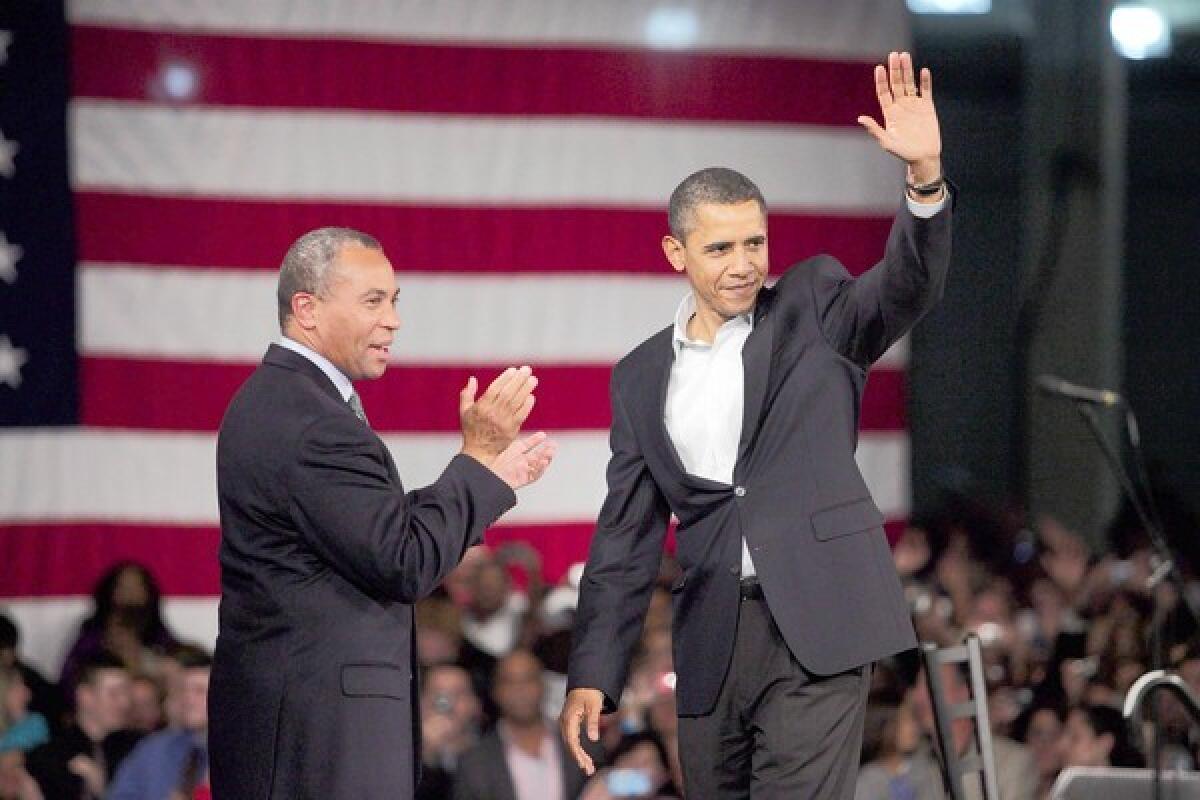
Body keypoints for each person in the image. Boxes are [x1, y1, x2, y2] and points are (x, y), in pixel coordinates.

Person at [562, 51, 953, 798]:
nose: (743, 264)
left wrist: (925, 180)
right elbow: (625, 538)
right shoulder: (640, 375)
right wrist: (593, 673)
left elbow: (907, 286)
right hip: (713, 642)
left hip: (821, 622)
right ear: (676, 252)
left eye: (754, 243)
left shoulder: (817, 308)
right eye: (719, 248)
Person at [208, 226, 557, 799]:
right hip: (317, 739)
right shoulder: (311, 420)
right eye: (373, 301)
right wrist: (474, 460)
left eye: (394, 300)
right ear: (308, 309)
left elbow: (372, 533)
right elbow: (402, 560)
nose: (393, 320)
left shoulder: (289, 403)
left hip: (308, 729)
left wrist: (489, 474)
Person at [454, 650, 586, 800]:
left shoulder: (583, 742)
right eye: (509, 682)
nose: (520, 690)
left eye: (528, 679)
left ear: (543, 685)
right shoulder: (474, 762)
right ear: (495, 691)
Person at [25, 651, 140, 799]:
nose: (124, 702)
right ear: (85, 696)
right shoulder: (49, 758)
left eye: (126, 692)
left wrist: (103, 789)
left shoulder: (138, 750)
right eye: (114, 693)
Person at [107, 647, 213, 800]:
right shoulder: (153, 749)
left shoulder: (241, 753)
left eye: (199, 690)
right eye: (182, 690)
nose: (188, 699)